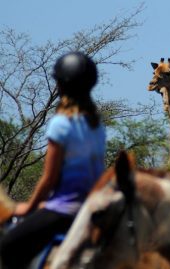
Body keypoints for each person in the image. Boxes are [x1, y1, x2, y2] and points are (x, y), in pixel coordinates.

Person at [0, 51, 106, 268]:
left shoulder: (61, 123)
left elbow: (49, 179)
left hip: (64, 211)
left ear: (61, 85)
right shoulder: (97, 126)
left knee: (7, 246)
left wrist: (28, 208)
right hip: (91, 211)